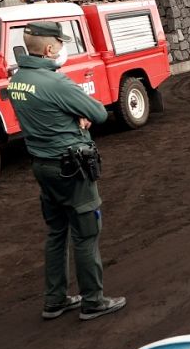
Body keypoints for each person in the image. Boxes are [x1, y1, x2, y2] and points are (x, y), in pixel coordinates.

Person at [7, 20, 127, 322]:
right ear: (49, 48)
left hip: (42, 166)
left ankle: (55, 300)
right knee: (86, 235)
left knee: (56, 232)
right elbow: (98, 113)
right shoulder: (57, 82)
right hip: (71, 166)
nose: (62, 49)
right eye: (60, 44)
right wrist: (80, 114)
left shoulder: (19, 79)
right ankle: (93, 301)